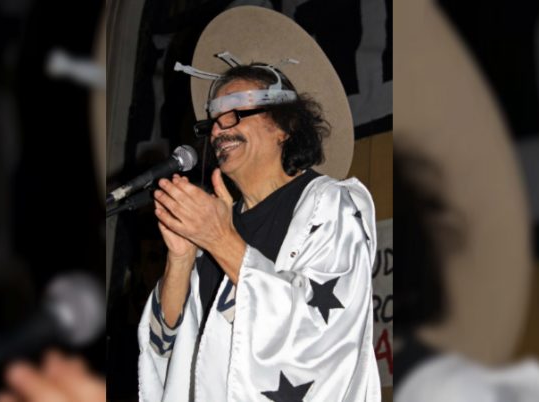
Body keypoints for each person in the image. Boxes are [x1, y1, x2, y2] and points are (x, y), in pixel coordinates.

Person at [137, 6, 381, 402]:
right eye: (214, 119)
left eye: (236, 113)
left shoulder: (331, 205)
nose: (218, 130)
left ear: (286, 125)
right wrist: (180, 260)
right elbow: (169, 352)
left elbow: (322, 336)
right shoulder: (217, 222)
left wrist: (220, 240)